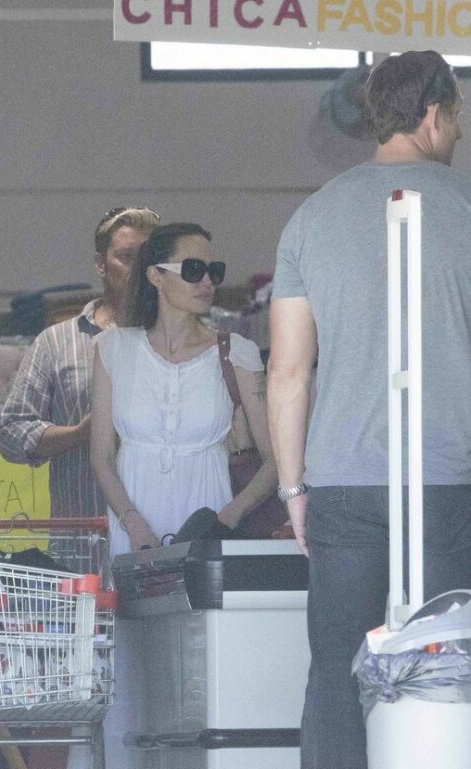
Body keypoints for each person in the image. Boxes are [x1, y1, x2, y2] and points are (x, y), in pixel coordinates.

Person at [267, 50, 471, 769]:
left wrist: (293, 487)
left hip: (343, 483)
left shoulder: (310, 217)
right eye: (457, 115)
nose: (458, 131)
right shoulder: (466, 207)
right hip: (448, 479)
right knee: (447, 671)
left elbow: (288, 372)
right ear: (433, 113)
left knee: (336, 672)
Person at [90, 222, 277, 556]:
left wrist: (226, 518)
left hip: (209, 532)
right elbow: (101, 457)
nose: (207, 282)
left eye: (214, 272)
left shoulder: (238, 353)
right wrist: (132, 522)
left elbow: (275, 461)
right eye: (193, 270)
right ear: (155, 276)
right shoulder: (112, 349)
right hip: (133, 536)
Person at [0, 206, 160, 519]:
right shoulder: (57, 343)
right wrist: (79, 433)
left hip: (163, 531)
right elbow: (10, 432)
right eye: (127, 257)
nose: (140, 269)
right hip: (85, 531)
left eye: (148, 259)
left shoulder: (176, 341)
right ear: (101, 264)